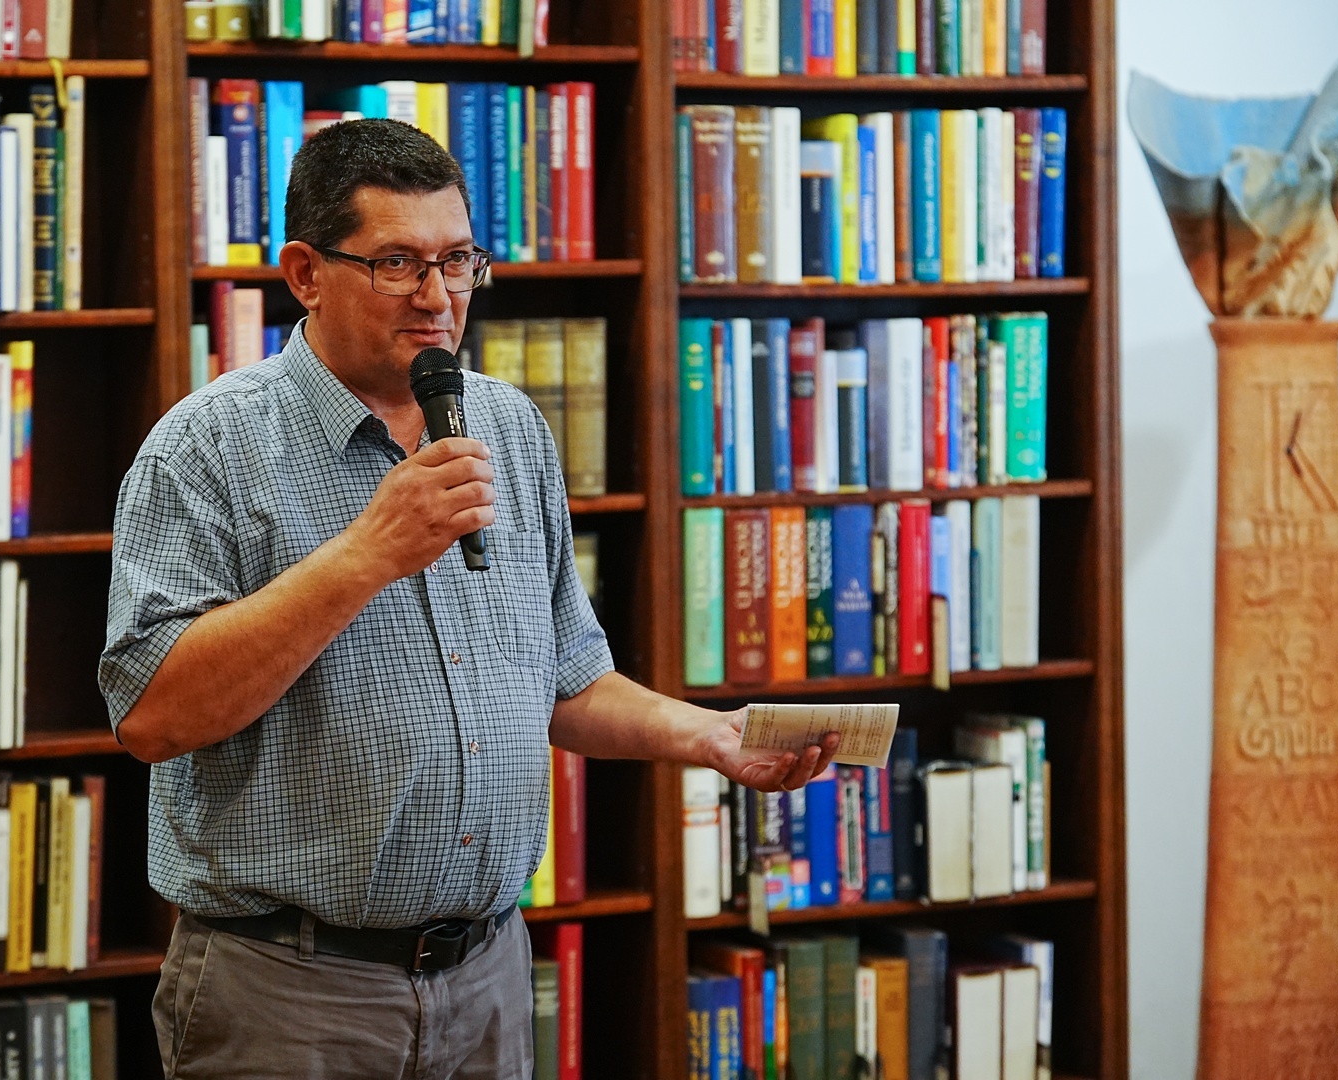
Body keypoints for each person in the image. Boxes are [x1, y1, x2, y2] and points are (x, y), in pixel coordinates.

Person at [99, 118, 839, 1080]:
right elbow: (153, 715)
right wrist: (366, 554)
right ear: (305, 274)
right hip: (291, 991)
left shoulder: (508, 426)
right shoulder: (206, 448)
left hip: (487, 976)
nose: (438, 296)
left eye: (457, 261)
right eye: (397, 264)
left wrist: (711, 738)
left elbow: (568, 681)